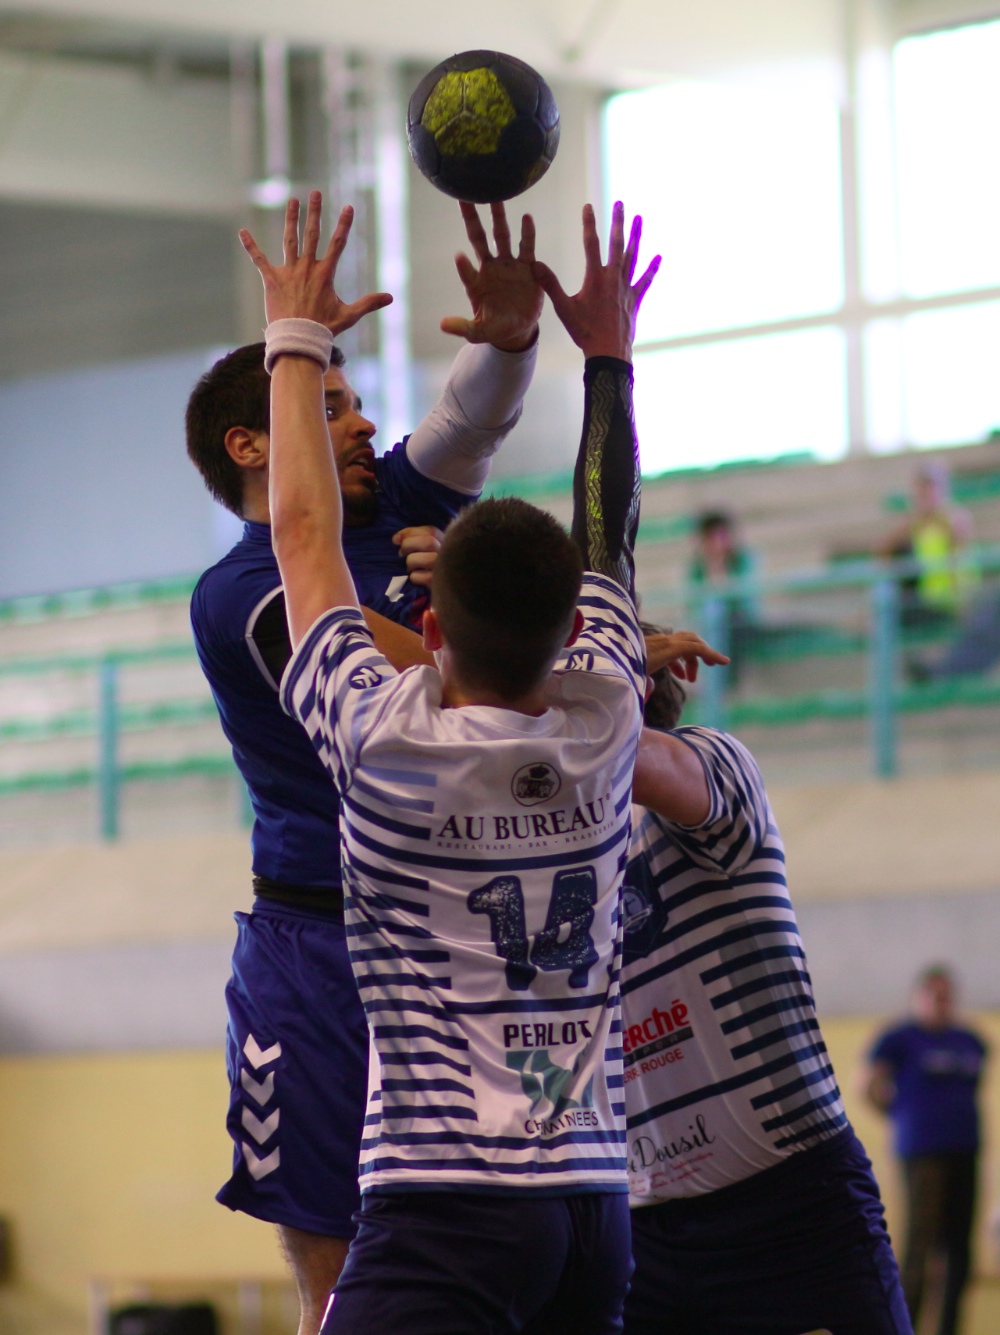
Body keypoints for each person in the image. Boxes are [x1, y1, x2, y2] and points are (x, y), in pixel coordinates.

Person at [238, 188, 658, 1334]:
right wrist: (607, 362)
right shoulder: (607, 717)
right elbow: (611, 535)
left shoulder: (383, 742)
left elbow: (300, 539)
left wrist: (293, 333)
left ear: (427, 628)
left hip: (446, 1196)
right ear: (575, 631)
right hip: (593, 1198)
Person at [186, 200, 542, 1335]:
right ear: (255, 443)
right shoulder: (243, 592)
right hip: (320, 946)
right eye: (330, 406)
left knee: (499, 1255)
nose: (362, 422)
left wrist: (512, 340)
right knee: (342, 1283)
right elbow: (449, 678)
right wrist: (465, 602)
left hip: (450, 935)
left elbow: (466, 427)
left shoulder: (385, 506)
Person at [618, 633, 913, 1335]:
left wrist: (543, 671)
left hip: (794, 1202)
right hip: (644, 1229)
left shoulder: (716, 763)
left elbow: (610, 754)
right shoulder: (552, 840)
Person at [865, 966, 988, 1335]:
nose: (941, 1002)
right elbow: (868, 1085)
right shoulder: (899, 1039)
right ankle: (907, 1327)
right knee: (920, 1247)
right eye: (934, 995)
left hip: (965, 1150)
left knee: (959, 1249)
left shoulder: (971, 1040)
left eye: (947, 995)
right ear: (918, 998)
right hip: (922, 1154)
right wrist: (901, 1117)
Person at [880, 462, 974, 628]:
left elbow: (959, 551)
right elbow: (883, 554)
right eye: (922, 489)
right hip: (921, 603)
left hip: (947, 605)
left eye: (931, 488)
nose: (927, 494)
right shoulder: (911, 524)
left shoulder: (954, 519)